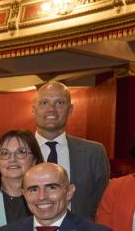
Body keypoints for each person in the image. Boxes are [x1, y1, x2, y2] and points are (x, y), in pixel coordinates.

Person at [32, 81, 111, 218]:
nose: (51, 109)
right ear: (34, 109)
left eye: (59, 103)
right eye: (44, 103)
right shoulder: (18, 153)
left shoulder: (94, 153)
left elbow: (101, 205)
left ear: (70, 110)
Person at [0, 130, 45, 231]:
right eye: (5, 153)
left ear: (35, 161)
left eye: (21, 152)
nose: (12, 159)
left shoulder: (46, 197)